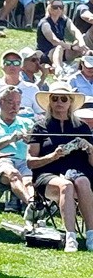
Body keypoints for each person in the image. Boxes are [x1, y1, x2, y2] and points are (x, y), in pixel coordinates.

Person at [27, 85, 93, 253]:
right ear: (50, 102)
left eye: (63, 99)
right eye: (54, 98)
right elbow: (30, 162)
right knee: (66, 186)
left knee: (83, 181)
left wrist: (90, 148)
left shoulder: (82, 128)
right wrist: (52, 156)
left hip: (79, 172)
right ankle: (70, 238)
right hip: (48, 174)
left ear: (70, 102)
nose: (59, 102)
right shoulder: (40, 127)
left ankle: (91, 235)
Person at [0, 86, 36, 222]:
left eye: (18, 103)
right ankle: (32, 206)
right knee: (13, 175)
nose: (15, 107)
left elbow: (38, 146)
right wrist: (9, 139)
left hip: (24, 160)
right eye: (10, 102)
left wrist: (32, 140)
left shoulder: (27, 123)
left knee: (29, 180)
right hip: (0, 160)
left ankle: (33, 205)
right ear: (0, 102)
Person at [0, 49, 40, 114]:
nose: (12, 66)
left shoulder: (32, 89)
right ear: (2, 66)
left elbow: (41, 113)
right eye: (7, 63)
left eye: (16, 63)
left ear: (21, 67)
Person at [37, 0, 87, 70]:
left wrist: (82, 43)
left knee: (79, 44)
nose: (58, 9)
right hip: (46, 53)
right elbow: (54, 41)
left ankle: (85, 67)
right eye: (55, 7)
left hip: (62, 51)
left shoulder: (64, 20)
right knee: (59, 47)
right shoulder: (45, 23)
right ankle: (59, 69)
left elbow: (75, 30)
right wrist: (71, 47)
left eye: (61, 7)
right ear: (49, 8)